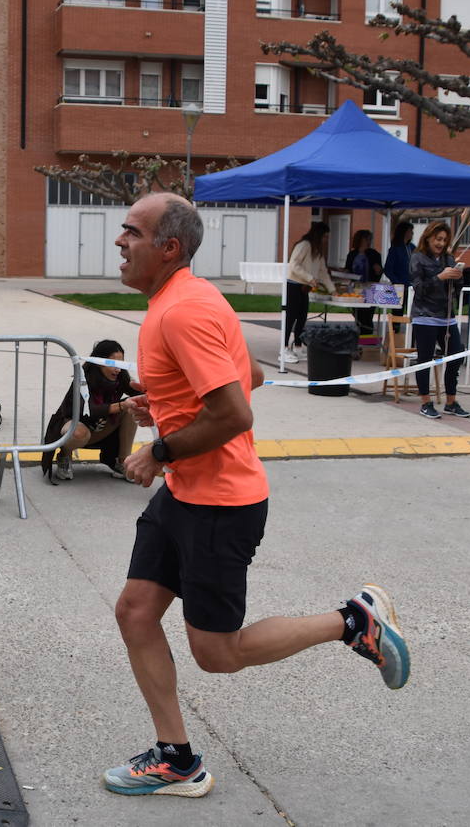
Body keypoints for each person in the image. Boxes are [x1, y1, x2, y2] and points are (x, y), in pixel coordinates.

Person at [103, 193, 409, 799]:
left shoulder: (181, 312)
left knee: (217, 654)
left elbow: (236, 412)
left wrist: (158, 449)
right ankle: (177, 760)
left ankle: (352, 621)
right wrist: (163, 404)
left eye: (131, 232)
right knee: (136, 612)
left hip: (219, 503)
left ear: (168, 248)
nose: (120, 242)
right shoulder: (189, 297)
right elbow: (255, 374)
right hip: (188, 495)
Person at [40, 338, 138, 482]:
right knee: (79, 432)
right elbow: (87, 411)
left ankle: (122, 462)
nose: (117, 369)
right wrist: (120, 406)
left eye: (120, 364)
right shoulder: (84, 378)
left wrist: (151, 390)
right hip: (74, 426)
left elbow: (137, 392)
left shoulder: (120, 376)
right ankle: (64, 456)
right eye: (112, 364)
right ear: (100, 363)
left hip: (100, 428)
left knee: (133, 406)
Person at [409, 221, 470, 420]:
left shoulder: (448, 258)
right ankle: (426, 402)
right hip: (424, 317)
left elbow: (456, 290)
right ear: (428, 238)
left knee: (455, 356)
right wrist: (440, 277)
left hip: (447, 317)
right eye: (438, 239)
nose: (441, 243)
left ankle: (451, 402)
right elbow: (418, 288)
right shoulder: (417, 258)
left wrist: (458, 276)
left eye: (444, 240)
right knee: (424, 360)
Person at [283, 222, 334, 363]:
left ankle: (298, 347)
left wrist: (332, 290)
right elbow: (293, 265)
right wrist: (310, 278)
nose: (326, 239)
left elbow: (323, 271)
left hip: (304, 287)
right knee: (290, 317)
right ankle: (284, 348)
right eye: (325, 236)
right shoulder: (304, 245)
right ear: (318, 235)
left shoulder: (318, 250)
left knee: (302, 318)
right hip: (294, 285)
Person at [344, 229, 383, 335]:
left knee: (367, 316)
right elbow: (347, 269)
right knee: (358, 315)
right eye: (367, 239)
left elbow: (379, 272)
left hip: (370, 289)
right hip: (355, 288)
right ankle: (360, 339)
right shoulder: (352, 254)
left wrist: (378, 270)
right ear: (360, 239)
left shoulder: (374, 254)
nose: (369, 241)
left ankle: (367, 340)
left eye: (370, 239)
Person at [384, 221, 415, 316]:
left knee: (413, 312)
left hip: (412, 286)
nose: (412, 234)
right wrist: (397, 282)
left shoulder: (412, 247)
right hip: (399, 287)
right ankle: (395, 329)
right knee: (397, 313)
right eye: (410, 231)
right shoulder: (395, 248)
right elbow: (387, 269)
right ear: (404, 232)